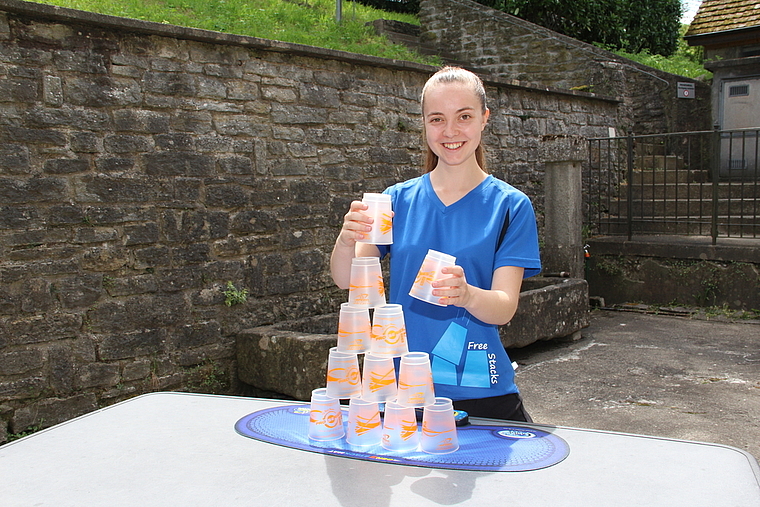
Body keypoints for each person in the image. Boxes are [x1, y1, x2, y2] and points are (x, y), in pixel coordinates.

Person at [330, 66, 541, 422]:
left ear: (484, 119)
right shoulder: (395, 200)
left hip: (479, 389)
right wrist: (346, 238)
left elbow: (504, 308)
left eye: (464, 116)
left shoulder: (511, 206)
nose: (451, 131)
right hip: (397, 390)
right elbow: (347, 280)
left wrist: (467, 294)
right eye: (437, 119)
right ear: (425, 124)